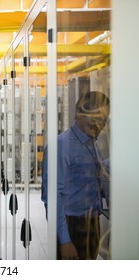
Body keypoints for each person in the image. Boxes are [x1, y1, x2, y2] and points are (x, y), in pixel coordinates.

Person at [41, 91, 110, 260]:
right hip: (71, 225)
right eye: (94, 118)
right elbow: (52, 198)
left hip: (91, 221)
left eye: (103, 119)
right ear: (79, 114)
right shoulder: (61, 146)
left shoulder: (92, 142)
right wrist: (65, 241)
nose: (99, 124)